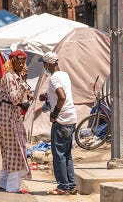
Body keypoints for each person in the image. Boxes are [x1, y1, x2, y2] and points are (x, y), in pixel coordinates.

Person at [38, 51, 78, 195]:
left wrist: (55, 113)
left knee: (59, 155)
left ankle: (62, 187)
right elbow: (58, 93)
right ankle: (71, 185)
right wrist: (46, 96)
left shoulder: (54, 78)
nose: (44, 66)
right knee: (67, 154)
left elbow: (62, 96)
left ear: (48, 64)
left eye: (44, 64)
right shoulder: (64, 75)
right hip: (71, 119)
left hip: (61, 121)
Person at [0, 49, 32, 194]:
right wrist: (23, 83)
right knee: (14, 150)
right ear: (12, 61)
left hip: (12, 114)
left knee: (8, 149)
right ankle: (12, 186)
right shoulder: (9, 76)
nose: (22, 64)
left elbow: (21, 97)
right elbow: (15, 98)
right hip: (8, 116)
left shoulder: (16, 76)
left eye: (24, 61)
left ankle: (3, 182)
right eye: (19, 61)